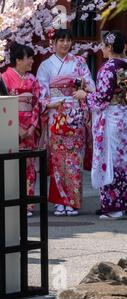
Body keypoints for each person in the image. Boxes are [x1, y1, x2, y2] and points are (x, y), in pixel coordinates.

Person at [37, 28, 95, 216]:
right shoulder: (46, 66)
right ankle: (59, 201)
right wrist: (52, 103)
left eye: (68, 40)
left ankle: (72, 201)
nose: (65, 44)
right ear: (52, 43)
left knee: (74, 160)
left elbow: (91, 85)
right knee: (57, 160)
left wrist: (83, 90)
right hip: (56, 113)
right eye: (60, 40)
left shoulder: (79, 62)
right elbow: (41, 93)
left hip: (75, 115)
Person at [74, 31, 127, 220]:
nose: (101, 49)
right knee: (123, 161)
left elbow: (102, 99)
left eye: (103, 45)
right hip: (124, 116)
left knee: (109, 160)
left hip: (111, 119)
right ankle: (123, 203)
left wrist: (85, 96)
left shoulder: (107, 69)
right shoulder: (124, 67)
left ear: (110, 47)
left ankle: (113, 207)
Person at [2, 43, 41, 217]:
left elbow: (37, 104)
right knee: (12, 166)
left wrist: (32, 126)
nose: (32, 61)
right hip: (12, 126)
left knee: (30, 166)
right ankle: (12, 202)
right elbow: (3, 105)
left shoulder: (33, 80)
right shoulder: (4, 78)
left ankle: (28, 203)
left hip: (29, 128)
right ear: (18, 60)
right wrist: (16, 127)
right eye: (29, 58)